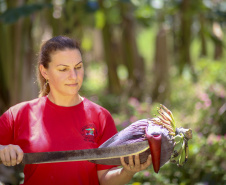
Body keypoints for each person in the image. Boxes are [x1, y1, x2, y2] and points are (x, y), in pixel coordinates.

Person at [0, 35, 152, 185]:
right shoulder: (21, 114)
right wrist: (3, 149)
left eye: (78, 67)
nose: (74, 76)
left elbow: (105, 178)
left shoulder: (100, 116)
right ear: (44, 71)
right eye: (63, 69)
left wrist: (128, 172)